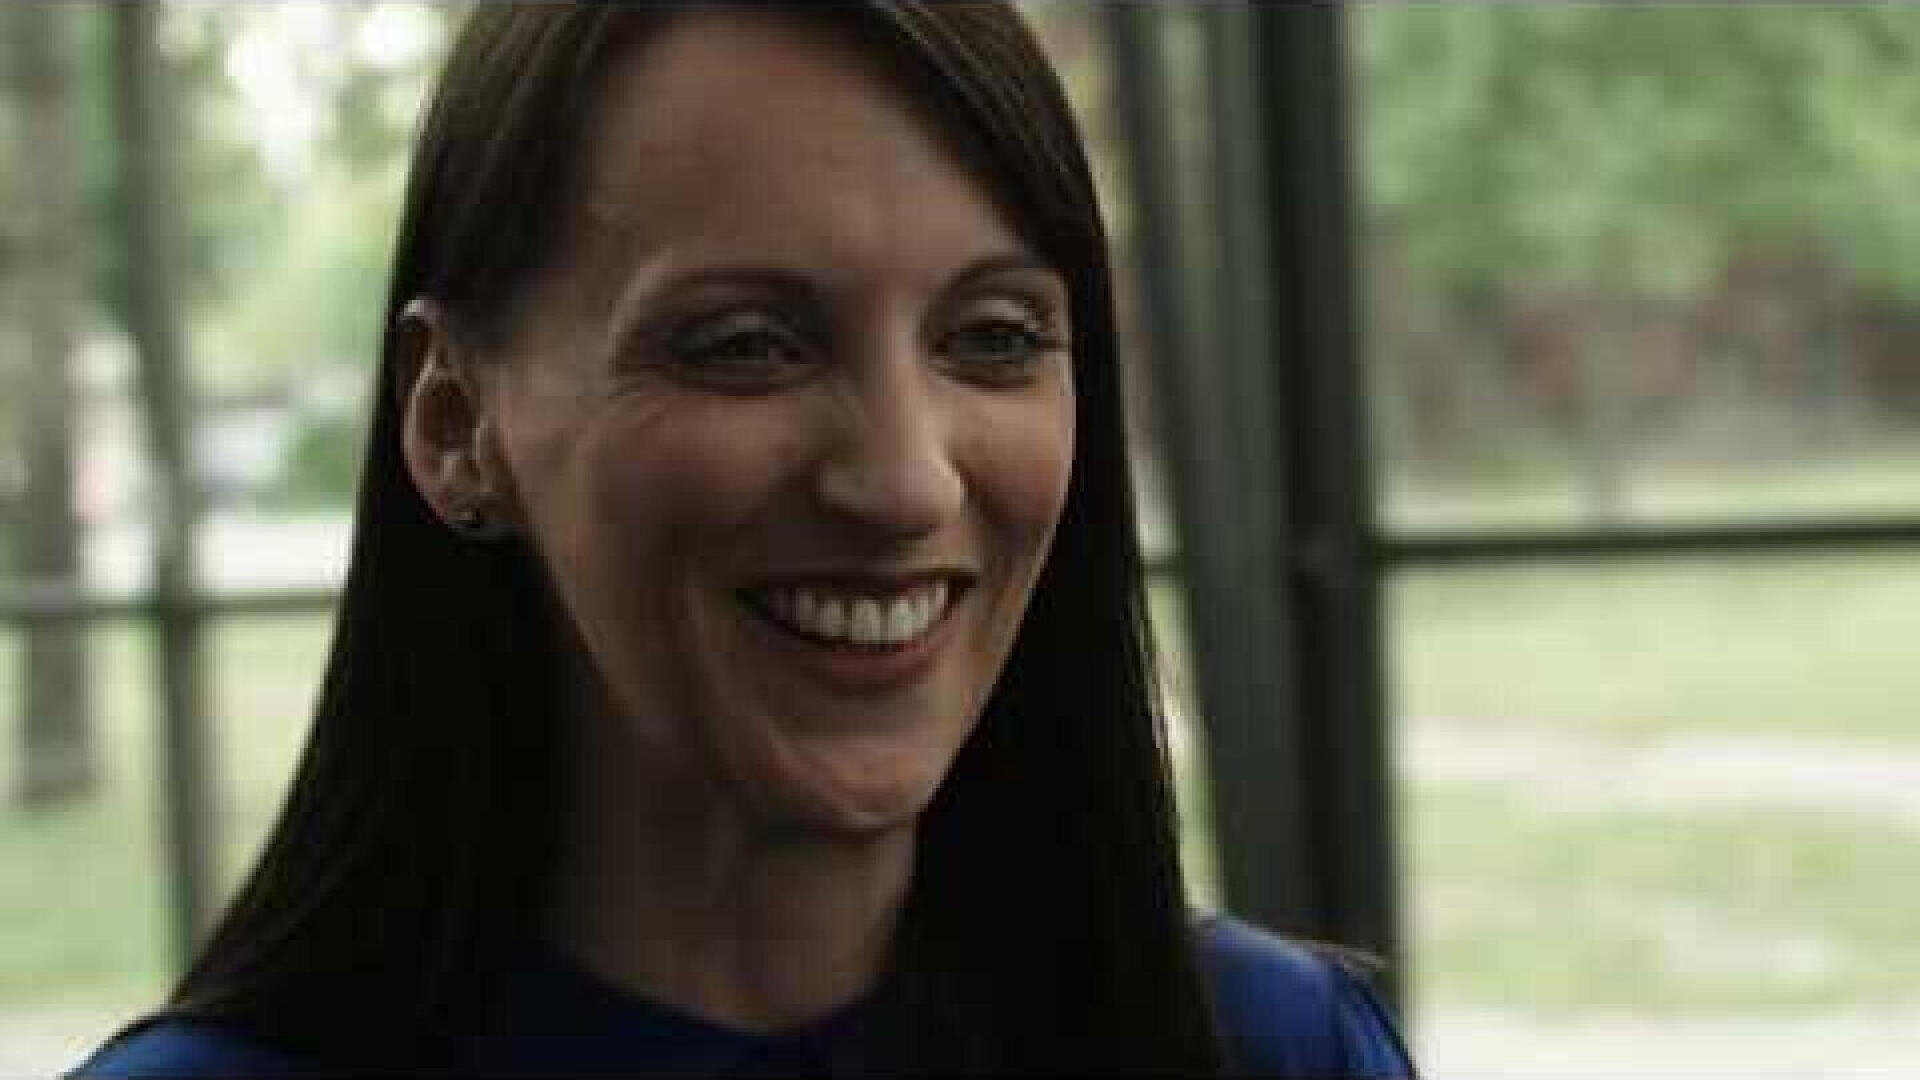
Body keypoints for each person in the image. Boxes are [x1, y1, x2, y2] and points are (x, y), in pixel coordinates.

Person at [75, 3, 1414, 1076]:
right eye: (744, 346)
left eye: (994, 338)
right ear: (453, 419)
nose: (901, 481)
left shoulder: (1274, 1050)